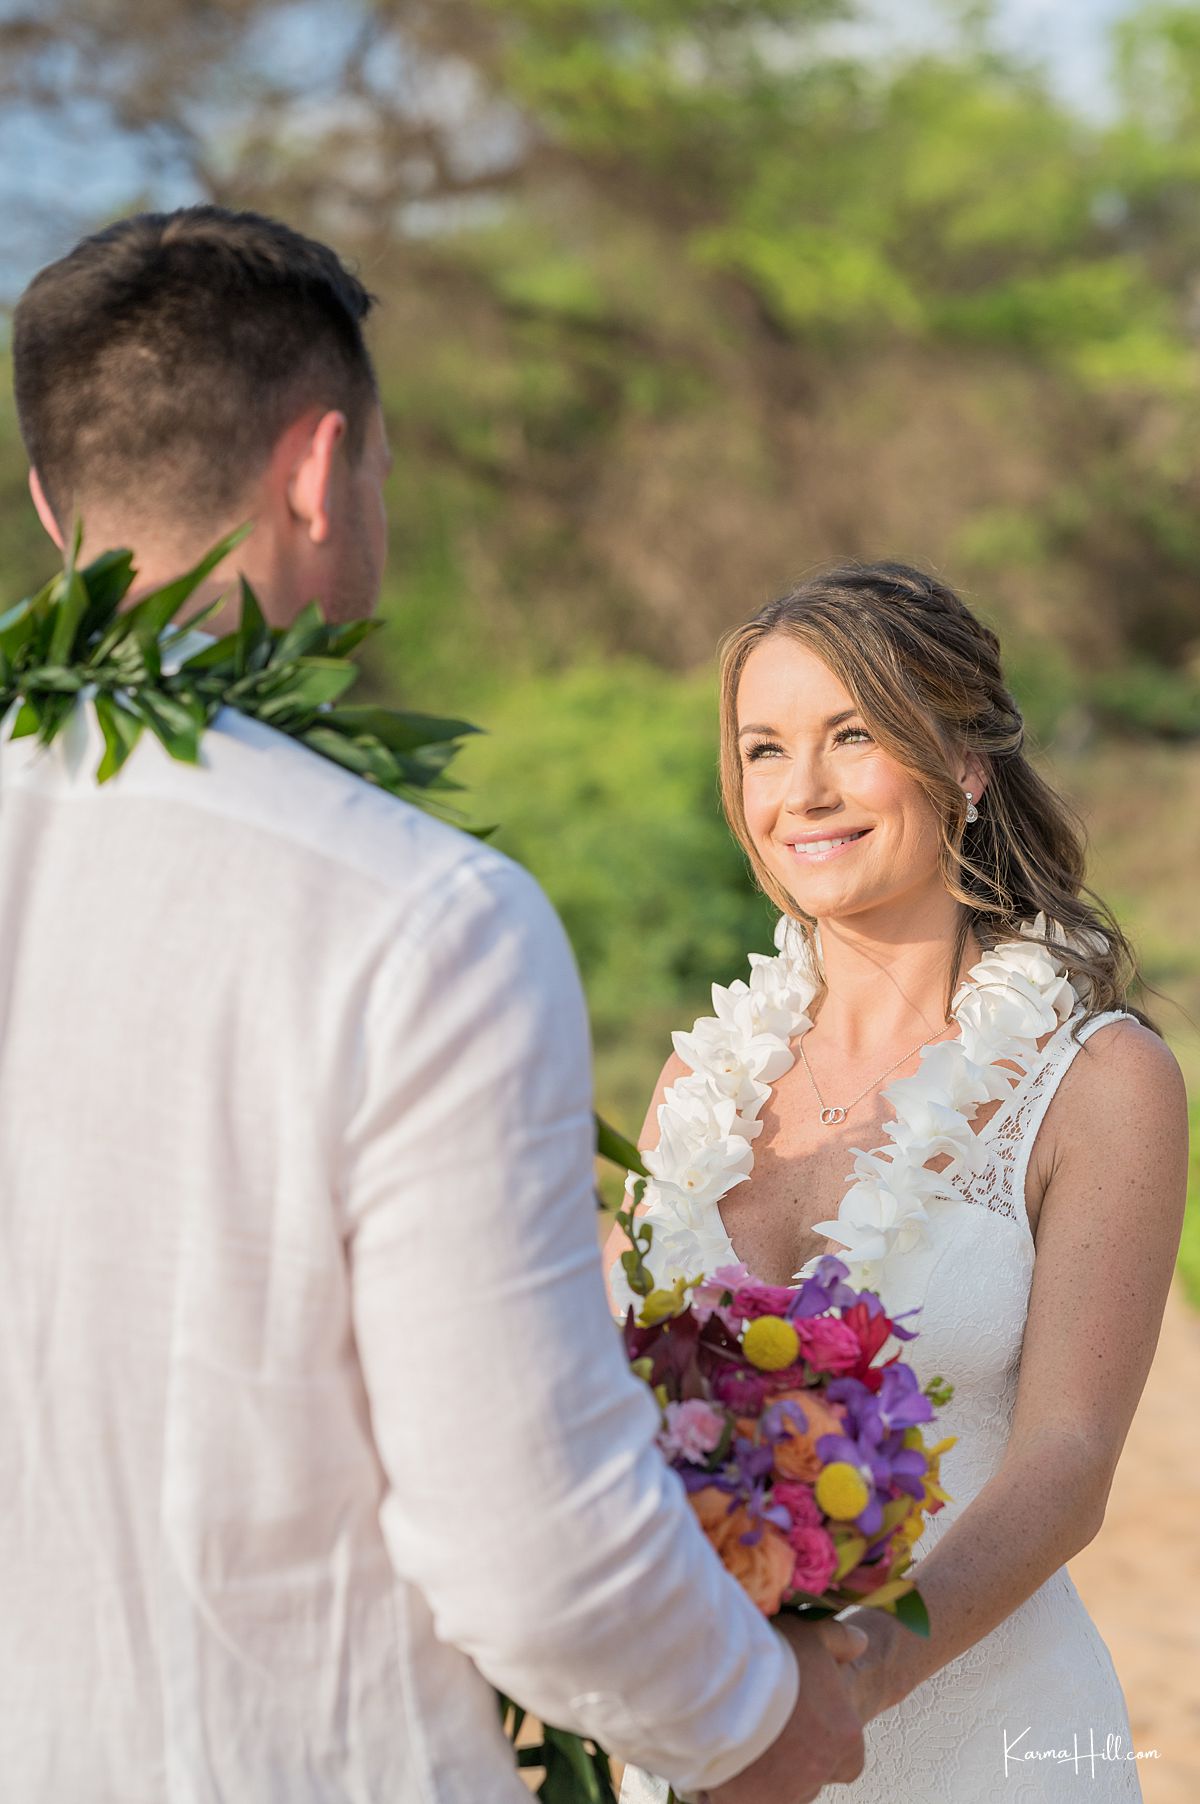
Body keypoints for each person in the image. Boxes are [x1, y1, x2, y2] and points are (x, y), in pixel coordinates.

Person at [1, 208, 867, 1801]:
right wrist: (753, 1721)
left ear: (54, 501)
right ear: (322, 468)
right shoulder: (417, 925)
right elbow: (529, 1543)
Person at [607, 563, 1188, 1802]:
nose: (801, 791)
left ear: (964, 765)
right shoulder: (695, 1082)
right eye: (765, 750)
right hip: (707, 1739)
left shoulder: (1098, 1080)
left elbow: (1068, 1466)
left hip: (986, 1744)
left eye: (852, 736)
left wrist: (849, 1680)